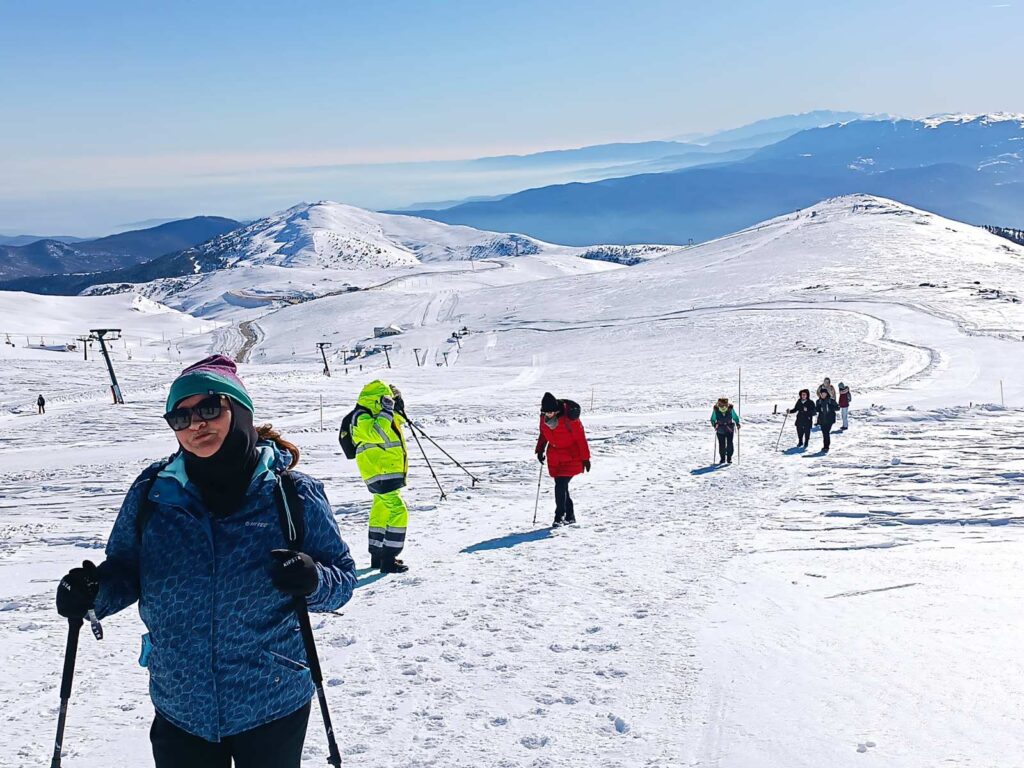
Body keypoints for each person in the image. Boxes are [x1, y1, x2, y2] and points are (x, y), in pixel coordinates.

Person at [55, 355, 356, 768]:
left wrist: (312, 578)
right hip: (182, 703)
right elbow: (125, 569)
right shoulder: (152, 492)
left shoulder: (291, 493)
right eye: (180, 417)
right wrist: (92, 593)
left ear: (241, 411)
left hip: (271, 698)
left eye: (210, 408)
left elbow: (341, 579)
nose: (196, 424)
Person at [351, 380, 409, 573]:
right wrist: (386, 412)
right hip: (379, 472)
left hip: (385, 471)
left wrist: (398, 408)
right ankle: (388, 558)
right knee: (398, 510)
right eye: (386, 399)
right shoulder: (360, 416)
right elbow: (377, 433)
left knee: (381, 509)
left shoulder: (378, 415)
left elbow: (395, 426)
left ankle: (377, 555)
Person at [535, 392, 591, 526]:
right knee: (562, 487)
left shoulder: (570, 419)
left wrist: (585, 459)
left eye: (551, 412)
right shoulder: (544, 418)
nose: (548, 415)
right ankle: (570, 516)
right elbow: (543, 433)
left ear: (557, 410)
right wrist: (540, 449)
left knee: (560, 485)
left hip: (572, 456)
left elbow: (580, 439)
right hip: (555, 457)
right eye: (546, 412)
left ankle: (559, 516)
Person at [710, 397, 741, 464]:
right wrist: (714, 424)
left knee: (730, 444)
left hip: (729, 429)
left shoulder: (730, 409)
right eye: (721, 405)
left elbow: (735, 417)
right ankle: (722, 458)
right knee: (722, 445)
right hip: (720, 429)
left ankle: (729, 458)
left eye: (724, 404)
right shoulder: (716, 410)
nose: (723, 406)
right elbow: (713, 419)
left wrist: (737, 423)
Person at [816, 387, 840, 453]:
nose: (823, 395)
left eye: (824, 393)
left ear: (826, 393)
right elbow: (817, 410)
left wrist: (831, 407)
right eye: (822, 394)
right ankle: (825, 446)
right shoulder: (818, 401)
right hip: (822, 419)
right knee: (824, 433)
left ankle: (826, 446)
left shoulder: (831, 400)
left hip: (830, 419)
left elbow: (838, 408)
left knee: (826, 432)